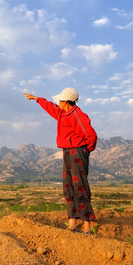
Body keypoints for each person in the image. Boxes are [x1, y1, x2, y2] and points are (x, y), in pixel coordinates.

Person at [24, 88, 98, 234]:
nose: (58, 102)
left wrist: (85, 150)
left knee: (80, 187)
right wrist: (37, 98)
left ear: (66, 101)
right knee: (68, 186)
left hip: (78, 151)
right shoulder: (62, 113)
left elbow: (91, 135)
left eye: (60, 100)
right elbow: (50, 107)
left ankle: (87, 224)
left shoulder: (78, 115)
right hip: (67, 151)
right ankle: (72, 222)